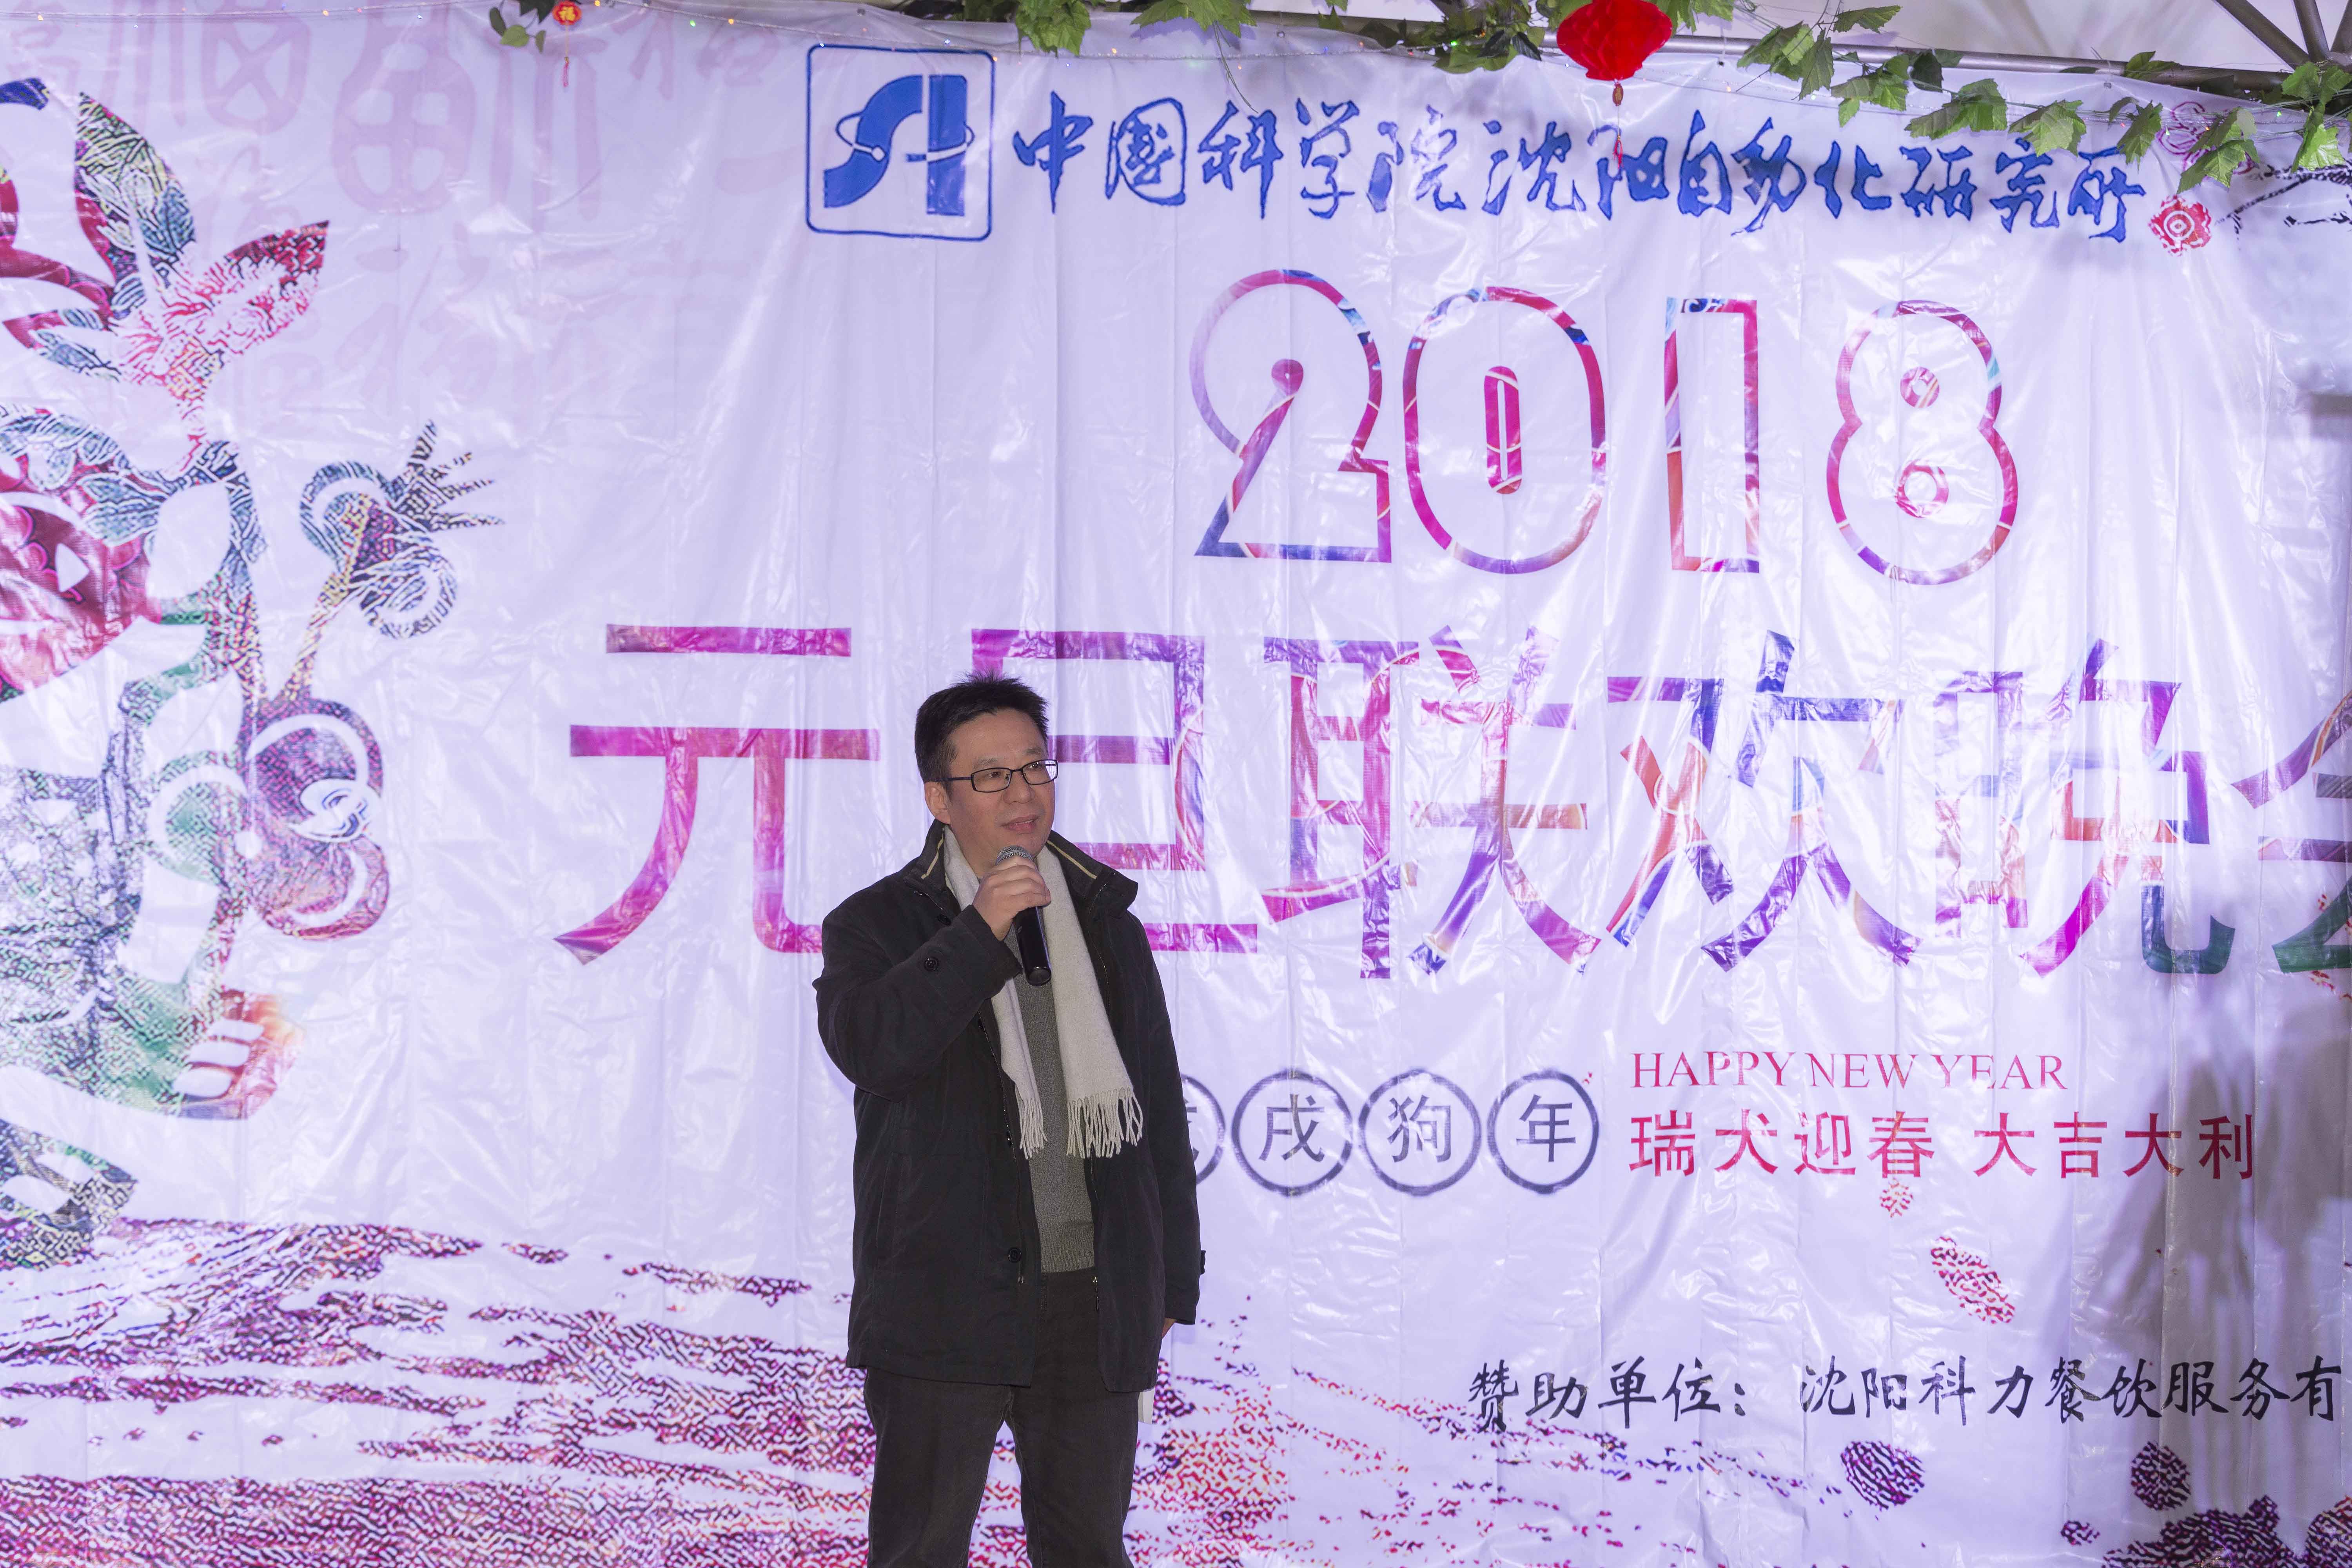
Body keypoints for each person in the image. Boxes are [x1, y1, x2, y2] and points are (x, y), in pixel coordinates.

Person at [814, 673, 1203, 1566]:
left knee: (1087, 1548)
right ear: (939, 798)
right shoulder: (875, 924)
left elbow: (1156, 1109)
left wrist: (1169, 1277)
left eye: (1034, 767)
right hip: (942, 1300)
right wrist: (979, 928)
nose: (1023, 793)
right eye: (991, 776)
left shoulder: (1104, 918)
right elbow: (876, 1050)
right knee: (920, 1549)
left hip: (1091, 1297)